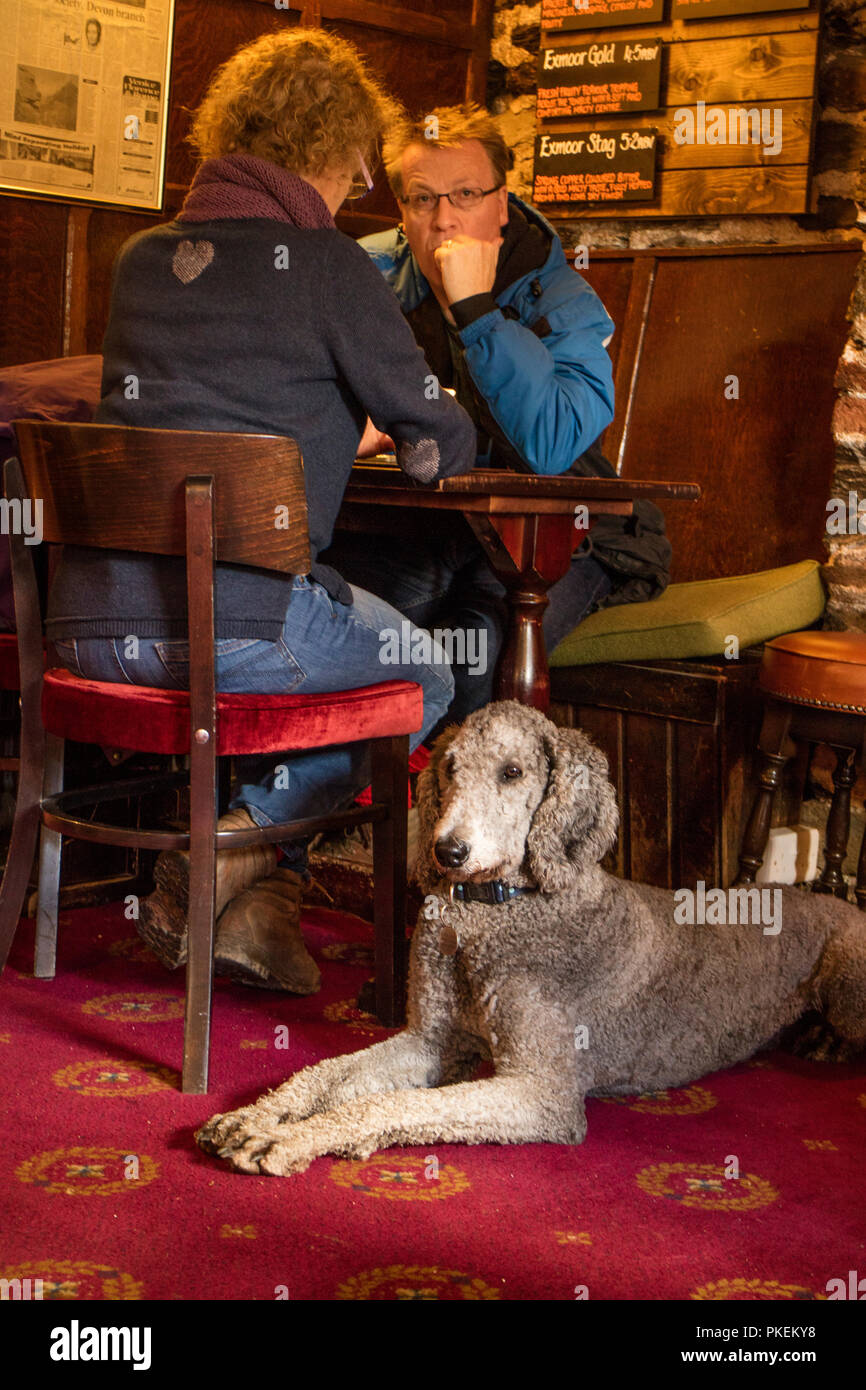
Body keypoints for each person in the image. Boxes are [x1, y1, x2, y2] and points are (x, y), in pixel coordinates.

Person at [47, 32, 476, 991]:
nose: (363, 179)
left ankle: (259, 913)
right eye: (362, 160)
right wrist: (397, 432)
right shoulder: (330, 267)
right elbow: (445, 440)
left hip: (87, 628)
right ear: (326, 149)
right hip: (230, 631)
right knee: (431, 676)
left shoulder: (139, 258)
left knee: (309, 651)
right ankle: (233, 848)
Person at [322, 104, 671, 732]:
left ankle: (451, 825)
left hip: (559, 534)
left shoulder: (560, 297)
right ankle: (347, 817)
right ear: (401, 211)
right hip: (416, 524)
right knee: (352, 629)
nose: (445, 217)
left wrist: (477, 312)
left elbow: (549, 445)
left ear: (501, 204)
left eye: (465, 194)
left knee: (477, 649)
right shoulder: (361, 273)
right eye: (422, 198)